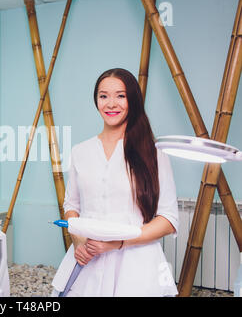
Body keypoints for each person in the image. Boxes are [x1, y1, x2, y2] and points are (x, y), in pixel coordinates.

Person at [51, 68, 179, 296]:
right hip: (87, 258)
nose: (111, 104)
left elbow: (168, 219)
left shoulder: (154, 153)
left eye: (120, 96)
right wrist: (79, 241)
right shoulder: (80, 151)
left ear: (133, 100)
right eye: (103, 96)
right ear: (96, 101)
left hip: (137, 264)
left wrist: (118, 243)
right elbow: (72, 206)